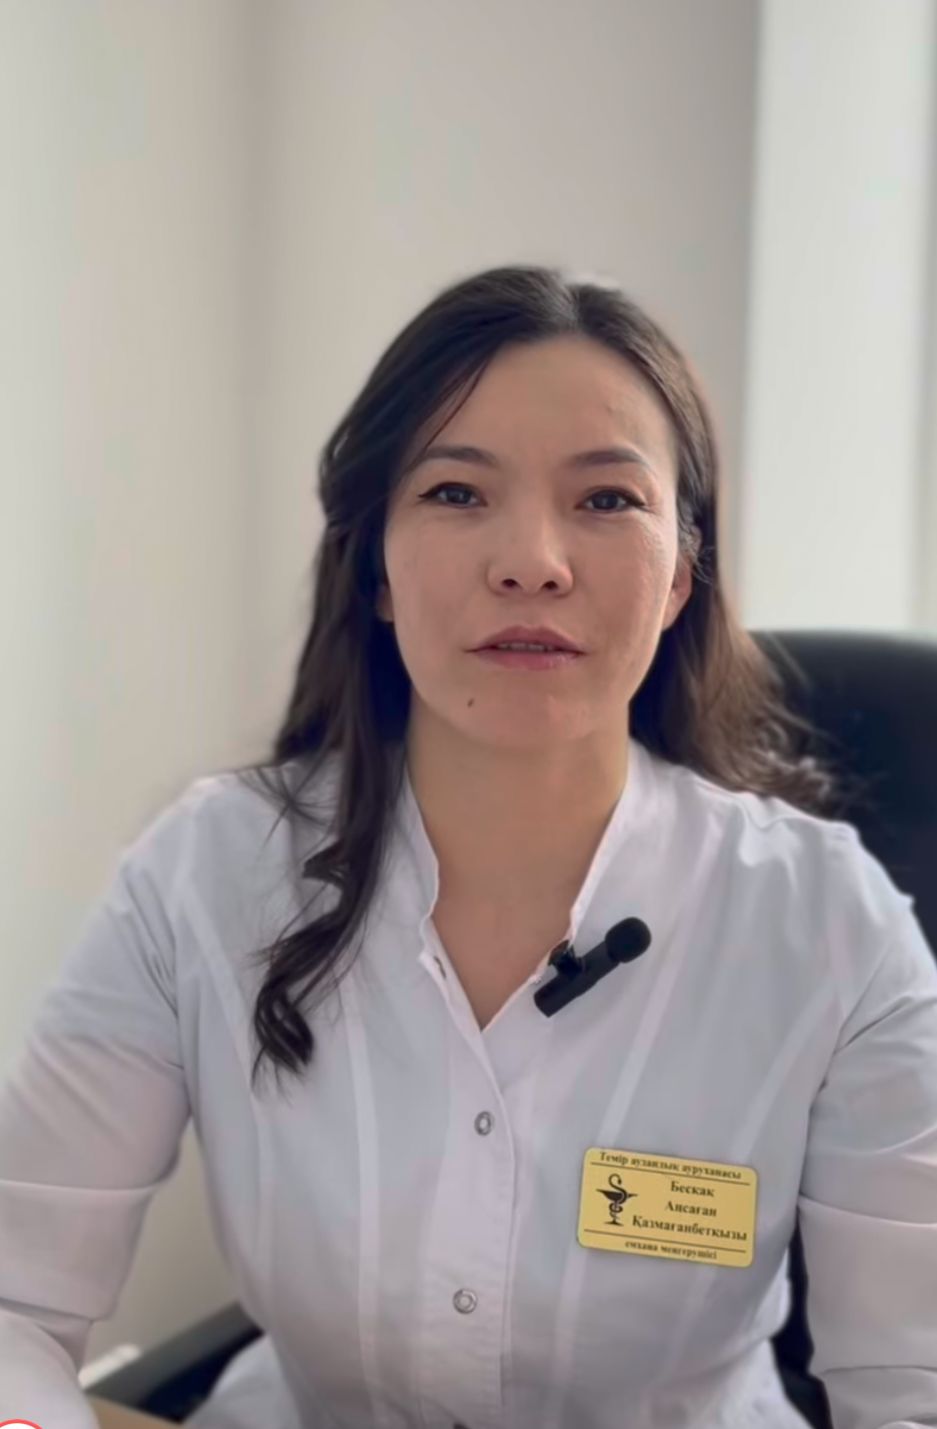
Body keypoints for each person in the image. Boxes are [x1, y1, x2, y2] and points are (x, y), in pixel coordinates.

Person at [1, 264, 935, 1429]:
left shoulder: (827, 923)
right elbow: (13, 1303)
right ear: (376, 571)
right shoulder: (203, 876)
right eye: (456, 491)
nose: (531, 560)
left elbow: (914, 1388)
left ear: (680, 576)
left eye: (605, 499)